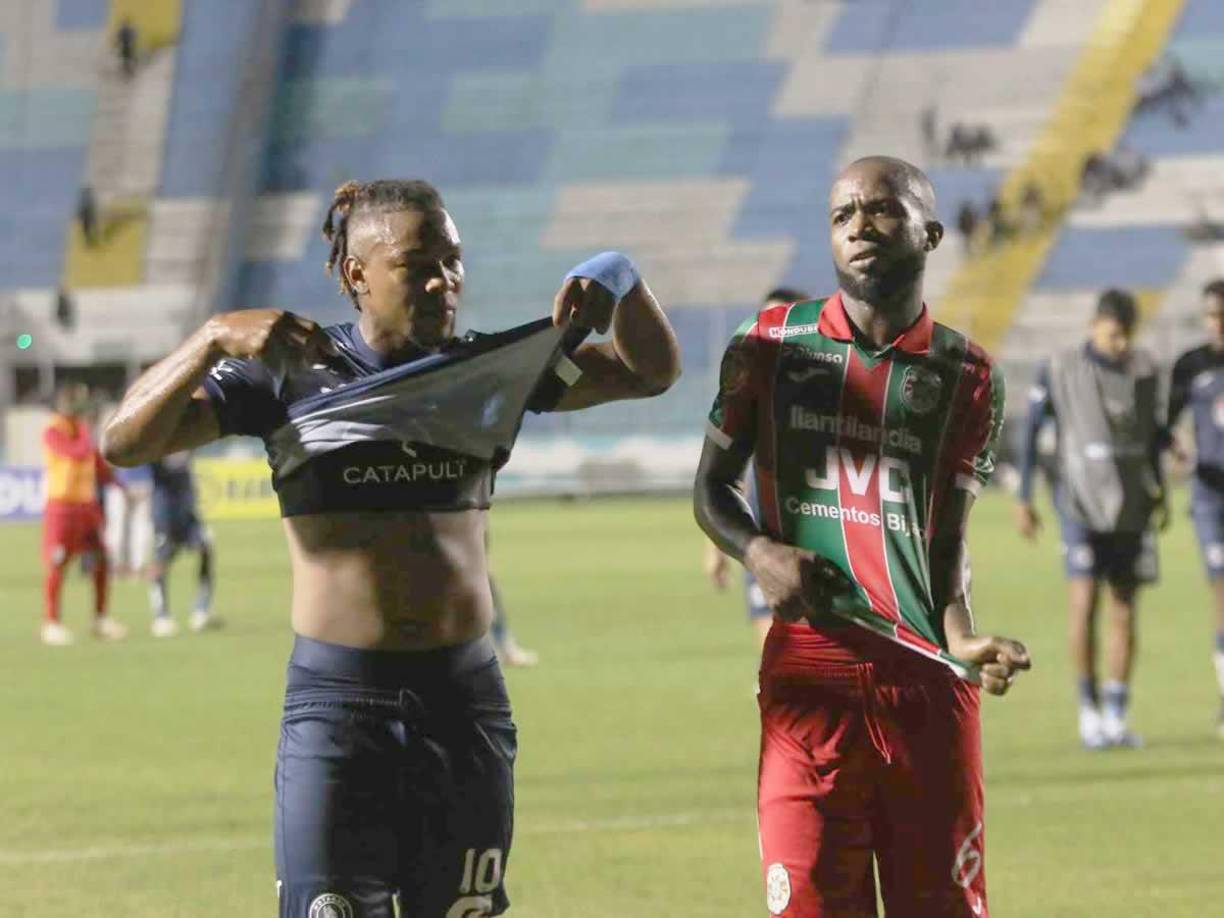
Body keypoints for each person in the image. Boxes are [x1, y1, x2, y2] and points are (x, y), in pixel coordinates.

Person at [101, 178, 680, 917]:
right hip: (339, 708)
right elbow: (123, 440)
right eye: (417, 264)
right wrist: (211, 335)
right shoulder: (286, 373)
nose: (445, 282)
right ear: (356, 275)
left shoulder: (490, 371)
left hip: (464, 700)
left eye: (454, 261)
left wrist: (621, 278)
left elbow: (648, 372)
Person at [694, 156, 1030, 917]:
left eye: (881, 210)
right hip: (808, 678)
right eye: (843, 215)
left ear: (930, 233)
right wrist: (757, 550)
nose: (859, 227)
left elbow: (944, 544)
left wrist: (963, 638)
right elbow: (709, 489)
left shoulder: (969, 375)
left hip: (926, 683)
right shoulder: (769, 346)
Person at [1015, 289, 1164, 749]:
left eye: (1127, 336)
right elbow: (1032, 427)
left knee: (1125, 608)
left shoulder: (1144, 371)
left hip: (1132, 506)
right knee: (1084, 603)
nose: (1120, 344)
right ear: (1095, 326)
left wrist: (1159, 490)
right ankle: (1088, 710)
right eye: (1114, 334)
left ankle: (1116, 715)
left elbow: (1151, 433)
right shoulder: (1062, 369)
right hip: (1079, 503)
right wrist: (1025, 495)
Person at [704, 287, 809, 653]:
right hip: (764, 533)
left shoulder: (835, 388)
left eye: (783, 320)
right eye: (767, 321)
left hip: (823, 534)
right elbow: (725, 474)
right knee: (774, 651)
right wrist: (717, 545)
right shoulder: (752, 391)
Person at [1164, 279, 1224, 737]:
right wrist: (1178, 450)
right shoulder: (1192, 365)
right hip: (1211, 497)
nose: (1216, 324)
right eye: (1211, 315)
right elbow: (1165, 422)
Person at [41, 382, 128, 645]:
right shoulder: (52, 431)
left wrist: (117, 484)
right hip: (62, 507)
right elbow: (77, 454)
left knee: (101, 559)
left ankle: (100, 618)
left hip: (86, 507)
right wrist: (86, 434)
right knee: (58, 563)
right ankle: (52, 623)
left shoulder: (80, 430)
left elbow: (95, 463)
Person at [146, 450, 220, 637]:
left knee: (205, 547)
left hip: (187, 512)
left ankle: (201, 609)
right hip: (164, 513)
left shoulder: (186, 435)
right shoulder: (157, 442)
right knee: (160, 561)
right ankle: (161, 615)